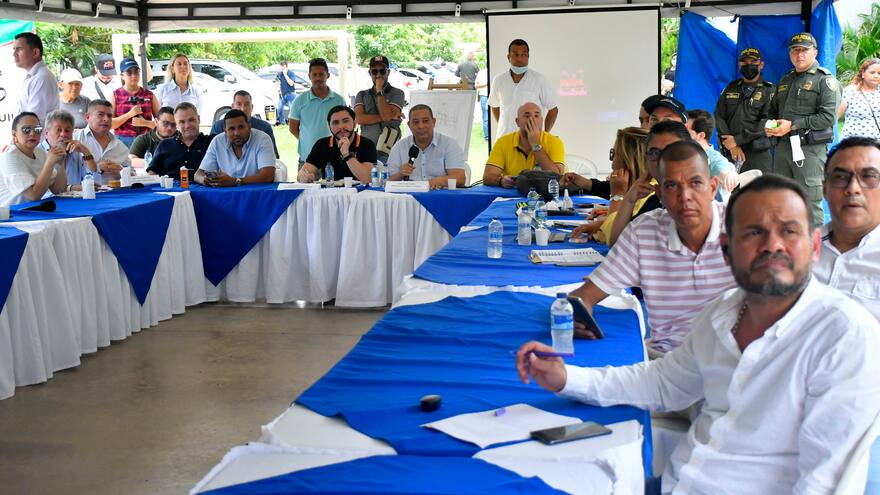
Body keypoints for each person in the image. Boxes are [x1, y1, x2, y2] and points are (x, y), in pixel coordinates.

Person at [517, 174, 880, 494]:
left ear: (815, 247)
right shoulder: (723, 313)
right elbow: (662, 383)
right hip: (675, 481)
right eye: (753, 232)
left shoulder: (844, 336)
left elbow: (825, 482)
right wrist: (568, 379)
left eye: (789, 231)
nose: (773, 245)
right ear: (726, 250)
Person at [569, 141, 733, 353]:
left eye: (695, 183)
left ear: (713, 188)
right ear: (660, 195)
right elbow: (582, 296)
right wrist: (577, 314)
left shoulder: (744, 228)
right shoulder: (642, 232)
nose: (685, 197)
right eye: (672, 186)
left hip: (734, 364)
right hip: (666, 361)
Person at [766, 32, 841, 227]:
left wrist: (793, 125)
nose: (799, 54)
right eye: (795, 50)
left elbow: (828, 118)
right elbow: (774, 112)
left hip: (809, 150)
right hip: (783, 148)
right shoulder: (785, 80)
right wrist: (772, 126)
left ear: (814, 53)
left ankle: (816, 251)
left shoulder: (824, 80)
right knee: (782, 197)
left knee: (810, 201)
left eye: (804, 50)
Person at [813, 136, 880, 320]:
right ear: (824, 189)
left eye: (869, 177)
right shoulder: (799, 252)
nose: (853, 188)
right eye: (840, 177)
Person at [606, 120, 693, 245]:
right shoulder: (654, 201)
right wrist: (629, 199)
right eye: (655, 153)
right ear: (646, 159)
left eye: (671, 151)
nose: (662, 159)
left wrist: (618, 196)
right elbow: (618, 245)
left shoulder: (696, 199)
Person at [563, 127, 649, 243]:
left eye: (615, 154)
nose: (612, 160)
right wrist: (598, 226)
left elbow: (614, 238)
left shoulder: (647, 195)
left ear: (629, 160)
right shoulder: (638, 186)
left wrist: (617, 195)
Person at [714, 48, 775, 174]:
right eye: (745, 62)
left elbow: (767, 122)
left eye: (753, 61)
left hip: (757, 153)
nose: (749, 65)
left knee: (760, 190)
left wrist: (737, 140)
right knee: (732, 191)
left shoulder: (769, 90)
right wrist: (731, 144)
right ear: (739, 65)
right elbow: (719, 116)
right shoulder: (731, 88)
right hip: (731, 151)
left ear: (761, 64)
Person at [487, 39, 558, 140]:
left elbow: (553, 109)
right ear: (508, 57)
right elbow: (494, 105)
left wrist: (543, 134)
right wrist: (503, 124)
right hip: (504, 138)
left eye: (524, 54)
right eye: (515, 54)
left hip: (530, 140)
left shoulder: (539, 80)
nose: (519, 59)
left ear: (528, 57)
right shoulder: (499, 80)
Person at [482, 102, 564, 188]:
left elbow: (558, 177)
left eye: (536, 116)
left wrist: (536, 145)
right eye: (527, 116)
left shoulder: (554, 142)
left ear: (541, 121)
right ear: (517, 122)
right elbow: (487, 176)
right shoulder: (503, 142)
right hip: (511, 195)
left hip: (544, 196)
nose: (532, 120)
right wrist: (500, 181)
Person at [387, 104, 466, 188]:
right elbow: (387, 181)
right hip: (409, 197)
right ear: (409, 125)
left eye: (425, 121)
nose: (421, 126)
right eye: (416, 122)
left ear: (434, 122)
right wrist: (400, 174)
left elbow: (460, 178)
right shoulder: (399, 147)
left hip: (439, 195)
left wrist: (438, 181)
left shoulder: (449, 144)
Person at [288, 58, 347, 167]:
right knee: (306, 184)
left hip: (333, 159)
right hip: (307, 159)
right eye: (314, 75)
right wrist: (306, 140)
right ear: (309, 76)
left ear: (328, 75)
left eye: (321, 74)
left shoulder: (339, 100)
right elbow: (292, 128)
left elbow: (347, 126)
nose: (318, 78)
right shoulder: (299, 100)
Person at [297, 105, 376, 185]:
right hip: (329, 194)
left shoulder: (367, 144)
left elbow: (368, 179)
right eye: (335, 122)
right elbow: (303, 172)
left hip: (359, 194)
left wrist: (347, 154)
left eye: (345, 121)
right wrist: (303, 177)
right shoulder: (322, 144)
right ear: (329, 126)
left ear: (354, 123)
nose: (341, 126)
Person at [195, 109, 275, 187]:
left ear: (249, 126)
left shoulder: (262, 139)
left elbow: (268, 176)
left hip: (256, 195)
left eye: (241, 127)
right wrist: (205, 179)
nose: (237, 133)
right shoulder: (217, 142)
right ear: (225, 131)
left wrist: (236, 181)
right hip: (226, 196)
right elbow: (198, 175)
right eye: (231, 129)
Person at [0, 112, 67, 206]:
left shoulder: (40, 152)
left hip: (33, 211)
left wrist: (60, 164)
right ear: (14, 134)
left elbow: (59, 190)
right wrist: (50, 162)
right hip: (11, 215)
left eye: (37, 129)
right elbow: (33, 195)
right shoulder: (9, 157)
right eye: (26, 129)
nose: (32, 133)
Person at [354, 55, 405, 163]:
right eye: (374, 71)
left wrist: (379, 91)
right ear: (369, 73)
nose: (378, 75)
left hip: (389, 149)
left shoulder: (397, 93)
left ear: (388, 72)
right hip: (366, 149)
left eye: (382, 71)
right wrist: (388, 116)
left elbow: (386, 115)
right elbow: (359, 119)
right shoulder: (362, 94)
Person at [148, 102, 212, 180]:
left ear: (198, 119)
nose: (187, 125)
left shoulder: (212, 143)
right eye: (182, 122)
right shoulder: (164, 145)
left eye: (191, 120)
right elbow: (152, 174)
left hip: (206, 190)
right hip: (171, 190)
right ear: (176, 124)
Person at [74, 99, 132, 184]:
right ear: (87, 117)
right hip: (82, 193)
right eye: (100, 115)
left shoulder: (119, 146)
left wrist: (122, 171)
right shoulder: (76, 140)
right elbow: (68, 173)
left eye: (109, 116)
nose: (106, 119)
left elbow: (133, 174)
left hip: (115, 194)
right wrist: (97, 168)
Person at [40, 110, 99, 188]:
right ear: (46, 133)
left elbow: (95, 180)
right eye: (58, 130)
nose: (63, 134)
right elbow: (39, 190)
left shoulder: (76, 152)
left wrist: (86, 152)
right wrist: (70, 188)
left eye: (67, 130)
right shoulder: (37, 153)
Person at [211, 90, 279, 159]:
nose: (243, 109)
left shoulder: (264, 127)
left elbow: (273, 157)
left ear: (252, 107)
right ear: (232, 107)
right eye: (239, 104)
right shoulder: (218, 126)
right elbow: (212, 155)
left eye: (246, 104)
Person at [686, 109, 738, 191]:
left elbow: (723, 171)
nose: (680, 134)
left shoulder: (714, 159)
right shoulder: (686, 155)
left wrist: (728, 177)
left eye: (686, 132)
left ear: (701, 136)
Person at [111, 58, 159, 148]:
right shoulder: (115, 95)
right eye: (129, 72)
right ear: (122, 76)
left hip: (146, 140)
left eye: (136, 72)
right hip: (122, 141)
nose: (134, 75)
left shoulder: (149, 95)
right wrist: (129, 114)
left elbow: (161, 122)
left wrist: (145, 123)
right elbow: (110, 124)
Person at [12, 33, 59, 124]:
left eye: (19, 49)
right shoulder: (34, 76)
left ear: (35, 53)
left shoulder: (42, 77)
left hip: (35, 137)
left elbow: (33, 119)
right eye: (14, 50)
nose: (14, 54)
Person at [838, 57, 880, 140]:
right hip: (853, 145)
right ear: (863, 73)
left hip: (876, 146)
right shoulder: (850, 91)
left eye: (879, 73)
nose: (876, 76)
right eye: (872, 72)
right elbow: (835, 116)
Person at [276, 61, 297, 127]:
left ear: (286, 66)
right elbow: (277, 83)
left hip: (290, 94)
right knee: (279, 108)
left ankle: (292, 123)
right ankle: (283, 123)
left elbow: (291, 83)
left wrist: (285, 75)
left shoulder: (291, 73)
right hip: (282, 94)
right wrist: (278, 84)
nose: (283, 69)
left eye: (284, 67)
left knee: (292, 109)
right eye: (281, 68)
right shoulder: (280, 74)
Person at [475, 67, 489, 141]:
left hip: (494, 96)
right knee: (486, 118)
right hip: (484, 96)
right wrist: (486, 84)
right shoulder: (482, 72)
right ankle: (487, 137)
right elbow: (476, 85)